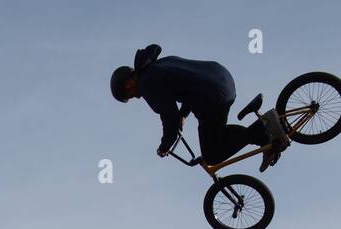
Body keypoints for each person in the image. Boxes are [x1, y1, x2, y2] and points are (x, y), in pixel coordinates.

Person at [111, 43, 289, 171]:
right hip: (222, 81)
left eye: (130, 96)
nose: (136, 97)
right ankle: (265, 137)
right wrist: (184, 114)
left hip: (211, 96)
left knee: (211, 155)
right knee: (217, 135)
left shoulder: (147, 83)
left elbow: (169, 117)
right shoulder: (159, 65)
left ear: (128, 85)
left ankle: (264, 127)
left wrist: (165, 146)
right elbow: (190, 86)